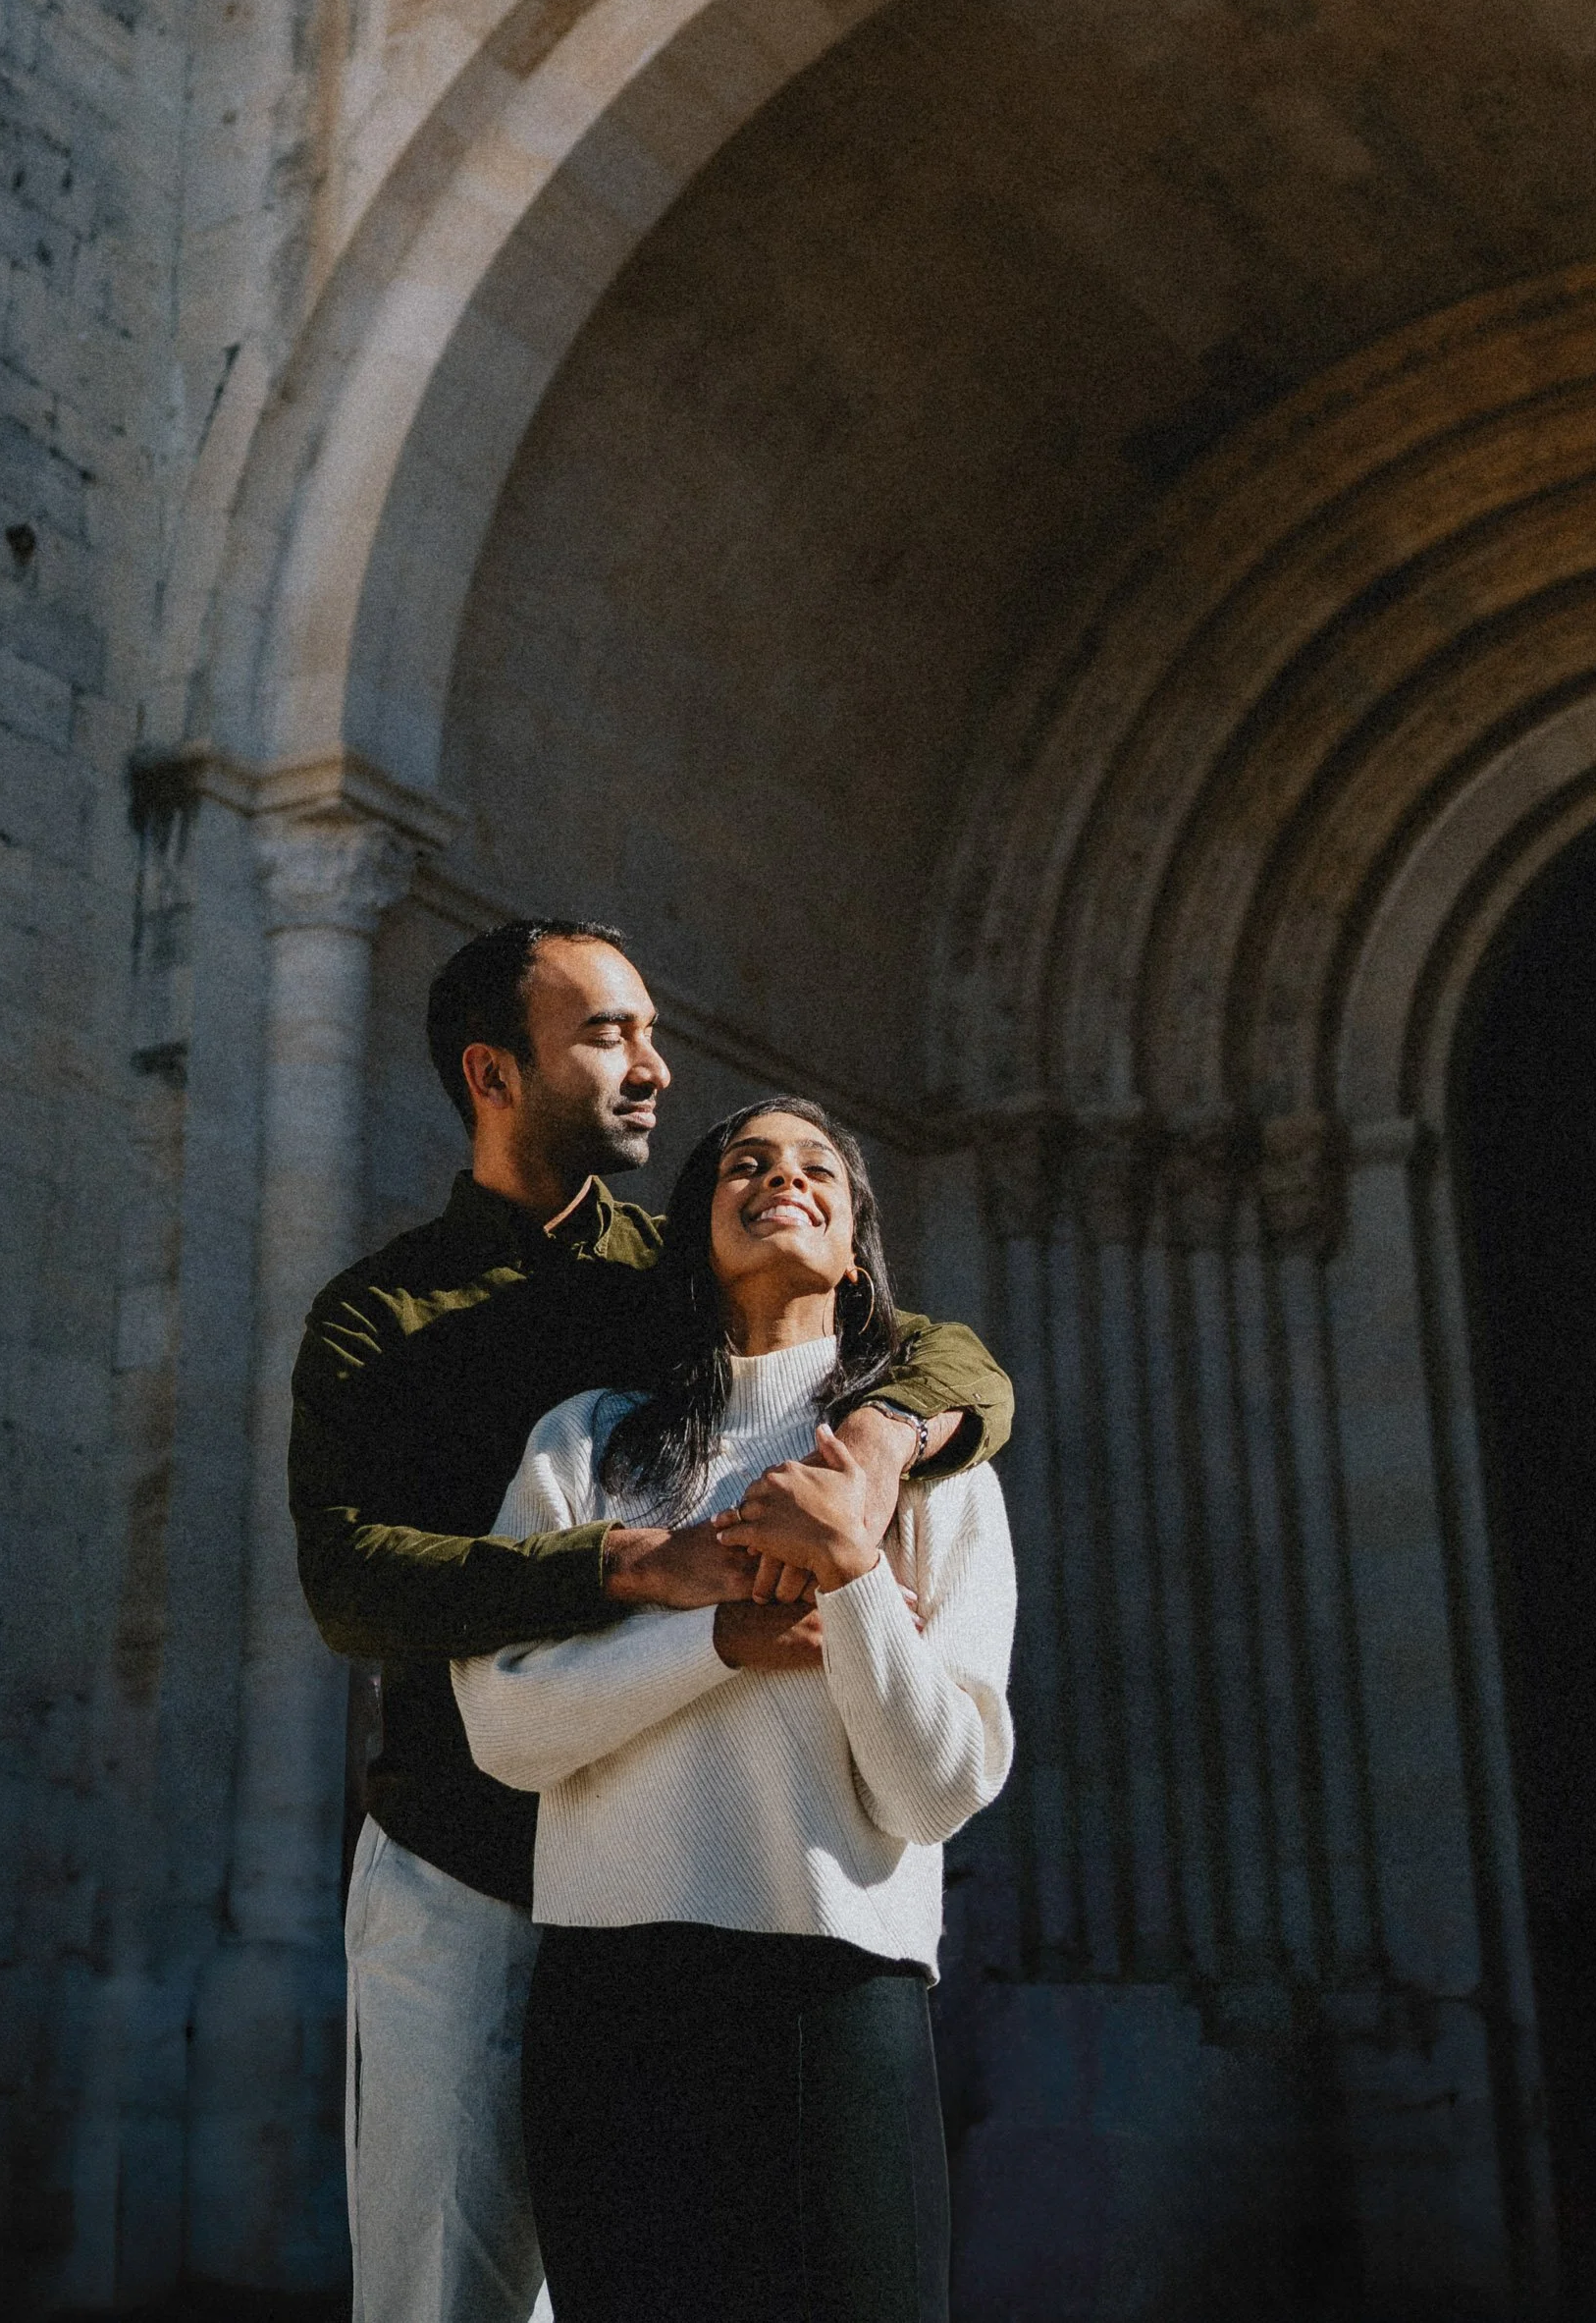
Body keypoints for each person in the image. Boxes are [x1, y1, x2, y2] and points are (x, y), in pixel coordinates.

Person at [293, 919, 1014, 2323]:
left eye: (649, 1032)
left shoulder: (673, 1275)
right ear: (495, 1072)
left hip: (670, 1881)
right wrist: (629, 1563)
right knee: (448, 2295)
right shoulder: (377, 1317)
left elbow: (951, 1350)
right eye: (609, 1035)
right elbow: (351, 1580)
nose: (654, 1069)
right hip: (456, 1853)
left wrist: (878, 1440)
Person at [453, 1099, 1015, 2323]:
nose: (784, 1179)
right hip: (611, 1995)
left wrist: (853, 1573)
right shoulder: (586, 1446)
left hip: (836, 1992)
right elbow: (503, 1729)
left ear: (858, 1242)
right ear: (697, 1230)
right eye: (746, 1165)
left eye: (820, 1167)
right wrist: (726, 1639)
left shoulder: (933, 1470)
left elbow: (935, 1788)